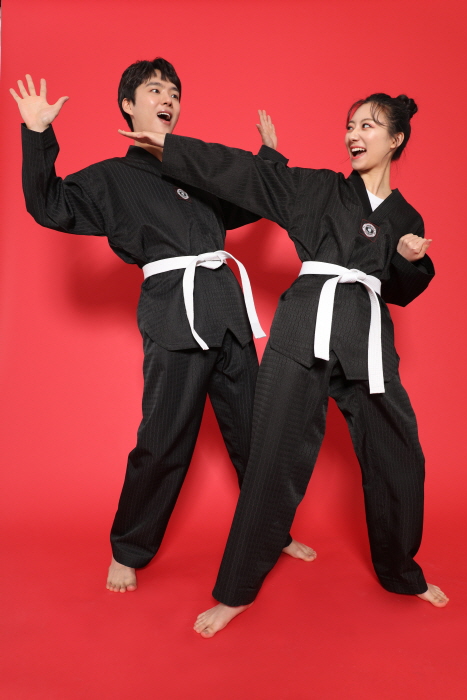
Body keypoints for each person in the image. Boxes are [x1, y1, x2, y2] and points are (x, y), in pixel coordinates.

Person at [118, 93, 449, 633]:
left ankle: (401, 573)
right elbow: (245, 175)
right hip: (303, 330)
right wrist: (172, 149)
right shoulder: (317, 188)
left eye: (368, 126)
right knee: (272, 457)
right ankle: (236, 590)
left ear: (396, 139)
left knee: (400, 456)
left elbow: (398, 290)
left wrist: (412, 262)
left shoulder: (405, 216)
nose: (354, 134)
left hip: (365, 338)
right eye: (350, 125)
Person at [10, 59, 316, 595]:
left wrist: (268, 159)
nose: (168, 97)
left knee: (256, 434)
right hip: (174, 317)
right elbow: (50, 205)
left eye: (174, 91)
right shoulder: (112, 177)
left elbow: (246, 204)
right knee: (164, 440)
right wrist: (37, 134)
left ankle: (272, 530)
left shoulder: (195, 168)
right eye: (155, 89)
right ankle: (129, 548)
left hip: (228, 315)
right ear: (129, 105)